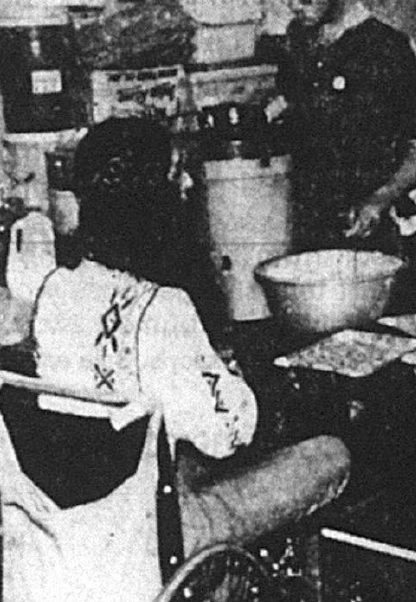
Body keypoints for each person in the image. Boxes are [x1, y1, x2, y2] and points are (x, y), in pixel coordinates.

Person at [31, 118, 349, 552]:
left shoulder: (53, 292)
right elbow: (227, 436)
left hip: (75, 521)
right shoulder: (164, 307)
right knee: (329, 455)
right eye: (174, 180)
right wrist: (244, 389)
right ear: (153, 202)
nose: (184, 189)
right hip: (158, 530)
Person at [275, 0, 416, 250]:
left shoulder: (388, 48)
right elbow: (288, 101)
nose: (293, 6)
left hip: (372, 227)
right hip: (310, 221)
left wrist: (379, 200)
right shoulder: (299, 41)